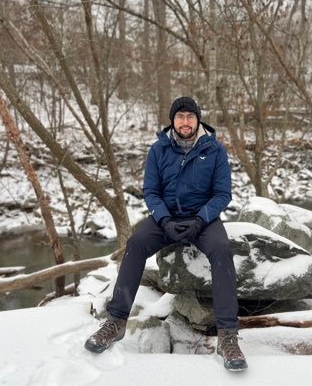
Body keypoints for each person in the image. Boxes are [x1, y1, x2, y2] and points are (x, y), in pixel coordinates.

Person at [84, 96, 248, 371]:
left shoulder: (215, 150)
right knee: (135, 244)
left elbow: (223, 194)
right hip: (165, 219)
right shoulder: (158, 150)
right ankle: (115, 322)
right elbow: (151, 192)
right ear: (173, 120)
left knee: (221, 250)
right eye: (180, 117)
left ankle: (228, 336)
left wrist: (200, 219)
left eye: (190, 117)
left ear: (198, 120)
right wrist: (164, 220)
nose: (185, 122)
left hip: (203, 220)